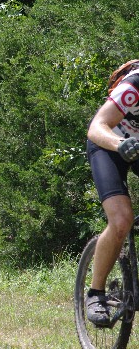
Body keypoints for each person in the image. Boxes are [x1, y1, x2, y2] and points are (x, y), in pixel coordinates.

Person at [86, 59, 139, 326]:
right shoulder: (134, 86)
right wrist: (120, 144)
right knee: (121, 220)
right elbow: (96, 127)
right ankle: (96, 293)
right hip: (109, 145)